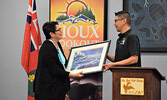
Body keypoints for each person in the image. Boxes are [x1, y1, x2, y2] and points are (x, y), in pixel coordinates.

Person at [33, 21, 84, 100]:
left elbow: (63, 63)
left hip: (57, 89)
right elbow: (55, 70)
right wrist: (72, 74)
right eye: (59, 30)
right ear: (51, 34)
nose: (61, 31)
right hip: (48, 92)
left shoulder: (57, 44)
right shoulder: (46, 48)